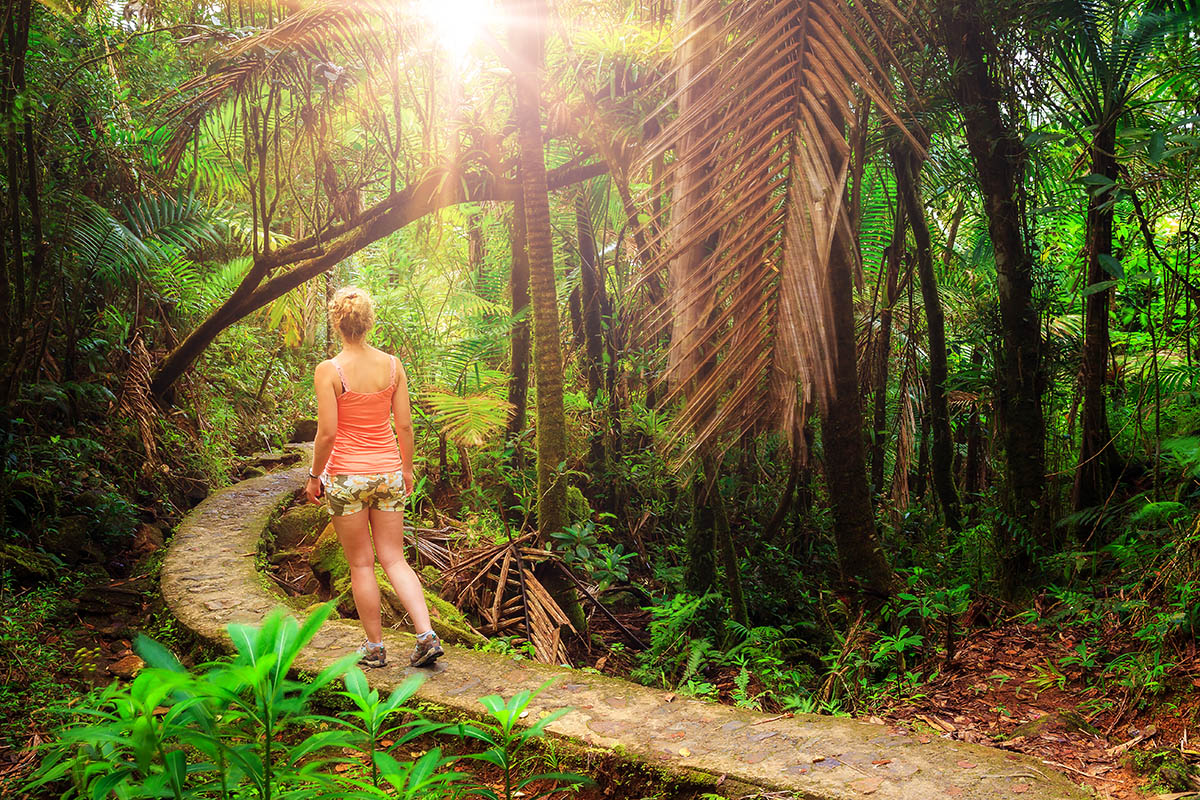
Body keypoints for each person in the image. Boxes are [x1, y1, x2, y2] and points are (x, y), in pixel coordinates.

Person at [305, 286, 443, 668]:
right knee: (395, 559)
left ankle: (375, 648)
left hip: (346, 477)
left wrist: (315, 476)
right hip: (388, 473)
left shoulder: (329, 371)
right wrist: (408, 468)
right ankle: (426, 634)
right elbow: (405, 425)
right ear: (369, 322)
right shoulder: (393, 366)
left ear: (336, 323)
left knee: (362, 564)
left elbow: (327, 433)